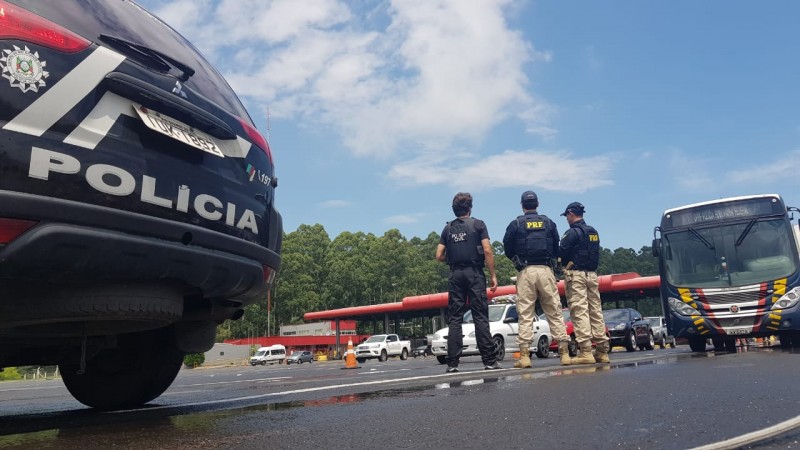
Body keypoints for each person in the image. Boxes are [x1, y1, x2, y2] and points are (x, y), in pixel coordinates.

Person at [503, 191, 572, 367]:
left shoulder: (516, 223)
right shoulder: (548, 223)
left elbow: (507, 247)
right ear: (537, 204)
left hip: (526, 270)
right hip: (546, 270)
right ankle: (564, 353)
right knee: (554, 311)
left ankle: (525, 356)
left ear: (522, 205)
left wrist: (516, 261)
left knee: (525, 313)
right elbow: (557, 246)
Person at [436, 192, 501, 372]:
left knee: (455, 318)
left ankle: (452, 364)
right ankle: (489, 361)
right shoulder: (479, 225)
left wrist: (454, 256)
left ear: (454, 210)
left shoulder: (448, 229)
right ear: (470, 208)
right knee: (480, 315)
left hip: (455, 274)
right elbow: (487, 250)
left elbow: (438, 255)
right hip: (474, 274)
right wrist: (493, 275)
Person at [559, 201, 610, 364]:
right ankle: (602, 351)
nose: (566, 219)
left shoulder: (572, 232)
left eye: (567, 215)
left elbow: (562, 252)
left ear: (571, 214)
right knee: (595, 311)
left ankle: (586, 352)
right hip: (592, 275)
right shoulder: (593, 231)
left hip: (576, 275)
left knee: (579, 310)